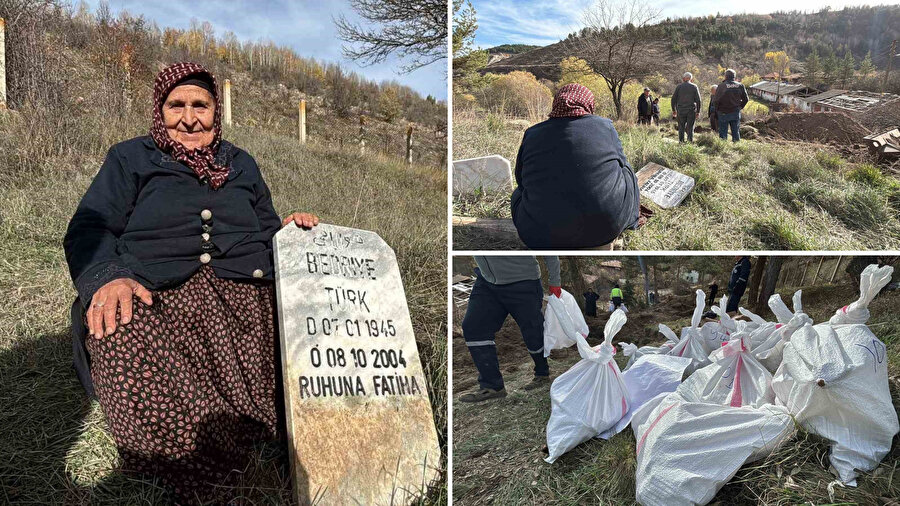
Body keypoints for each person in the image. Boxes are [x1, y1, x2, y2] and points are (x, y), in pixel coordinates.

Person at [63, 62, 320, 503]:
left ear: (215, 110)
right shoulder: (130, 158)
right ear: (159, 111)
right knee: (120, 329)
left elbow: (263, 228)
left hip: (243, 288)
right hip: (155, 287)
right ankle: (190, 461)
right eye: (175, 105)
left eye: (199, 105)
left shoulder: (241, 163)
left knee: (301, 330)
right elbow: (89, 227)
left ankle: (286, 439)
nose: (188, 118)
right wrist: (108, 277)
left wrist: (289, 229)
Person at [510, 83, 640, 249]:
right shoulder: (605, 126)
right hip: (605, 228)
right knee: (627, 171)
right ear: (588, 104)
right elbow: (621, 164)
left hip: (538, 233)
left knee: (517, 193)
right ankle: (630, 218)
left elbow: (521, 179)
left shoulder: (533, 133)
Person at [459, 256, 561, 402]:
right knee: (474, 328)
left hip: (523, 282)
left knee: (533, 332)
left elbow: (550, 250)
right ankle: (492, 386)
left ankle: (542, 373)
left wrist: (555, 282)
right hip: (486, 282)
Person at [713, 69, 749, 142]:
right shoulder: (740, 85)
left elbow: (715, 100)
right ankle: (737, 147)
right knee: (736, 131)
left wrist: (717, 110)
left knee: (723, 132)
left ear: (725, 76)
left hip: (723, 112)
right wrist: (740, 107)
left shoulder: (721, 86)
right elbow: (746, 99)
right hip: (735, 112)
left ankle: (723, 148)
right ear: (734, 77)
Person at [671, 72, 702, 143]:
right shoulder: (694, 87)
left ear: (684, 78)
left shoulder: (679, 87)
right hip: (691, 110)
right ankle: (689, 142)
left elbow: (673, 99)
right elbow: (698, 100)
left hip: (681, 110)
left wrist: (674, 110)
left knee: (681, 127)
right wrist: (698, 111)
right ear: (691, 79)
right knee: (690, 127)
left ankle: (681, 142)